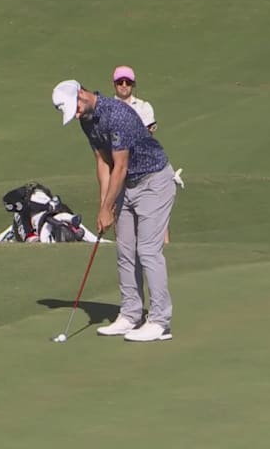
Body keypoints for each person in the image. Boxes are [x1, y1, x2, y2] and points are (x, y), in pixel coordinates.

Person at [52, 79, 177, 342]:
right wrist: (103, 206)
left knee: (148, 251)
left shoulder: (116, 114)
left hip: (154, 181)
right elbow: (102, 161)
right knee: (124, 249)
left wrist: (109, 207)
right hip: (128, 185)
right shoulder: (87, 119)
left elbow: (120, 166)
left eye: (74, 109)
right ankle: (131, 314)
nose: (75, 116)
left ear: (82, 95)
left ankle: (160, 321)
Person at [111, 65, 182, 244]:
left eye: (128, 82)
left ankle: (165, 245)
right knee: (120, 212)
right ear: (115, 84)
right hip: (120, 167)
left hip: (145, 166)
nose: (124, 85)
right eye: (120, 82)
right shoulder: (108, 109)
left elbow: (145, 133)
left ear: (133, 84)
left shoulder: (143, 106)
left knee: (153, 209)